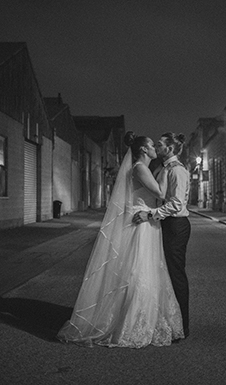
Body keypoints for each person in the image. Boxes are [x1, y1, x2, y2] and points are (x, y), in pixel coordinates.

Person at [57, 131, 184, 348]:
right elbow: (162, 194)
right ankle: (134, 321)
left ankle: (141, 316)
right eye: (153, 145)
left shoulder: (141, 168)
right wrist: (169, 169)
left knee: (144, 269)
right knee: (138, 269)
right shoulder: (140, 168)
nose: (156, 148)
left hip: (146, 220)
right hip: (141, 222)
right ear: (144, 149)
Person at [133, 132, 191, 338]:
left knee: (176, 274)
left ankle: (182, 326)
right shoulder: (161, 168)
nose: (156, 147)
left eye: (160, 144)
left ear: (170, 149)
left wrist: (150, 214)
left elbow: (176, 204)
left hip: (176, 224)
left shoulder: (177, 170)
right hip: (165, 223)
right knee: (165, 273)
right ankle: (169, 320)